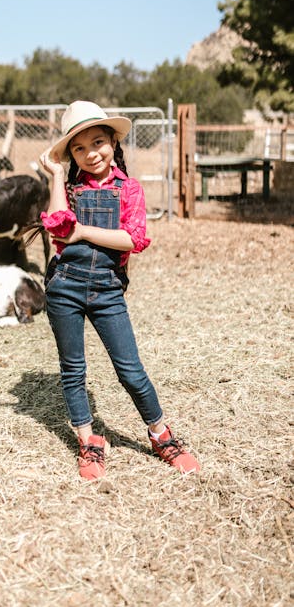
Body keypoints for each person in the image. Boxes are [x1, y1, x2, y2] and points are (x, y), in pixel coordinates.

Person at [37, 100, 200, 481]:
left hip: (108, 291)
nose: (90, 153)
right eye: (79, 148)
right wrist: (57, 177)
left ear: (113, 141)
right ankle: (89, 441)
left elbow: (133, 238)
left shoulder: (129, 190)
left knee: (130, 370)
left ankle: (161, 435)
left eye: (98, 142)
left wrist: (83, 232)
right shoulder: (71, 188)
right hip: (65, 288)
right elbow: (59, 226)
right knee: (73, 371)